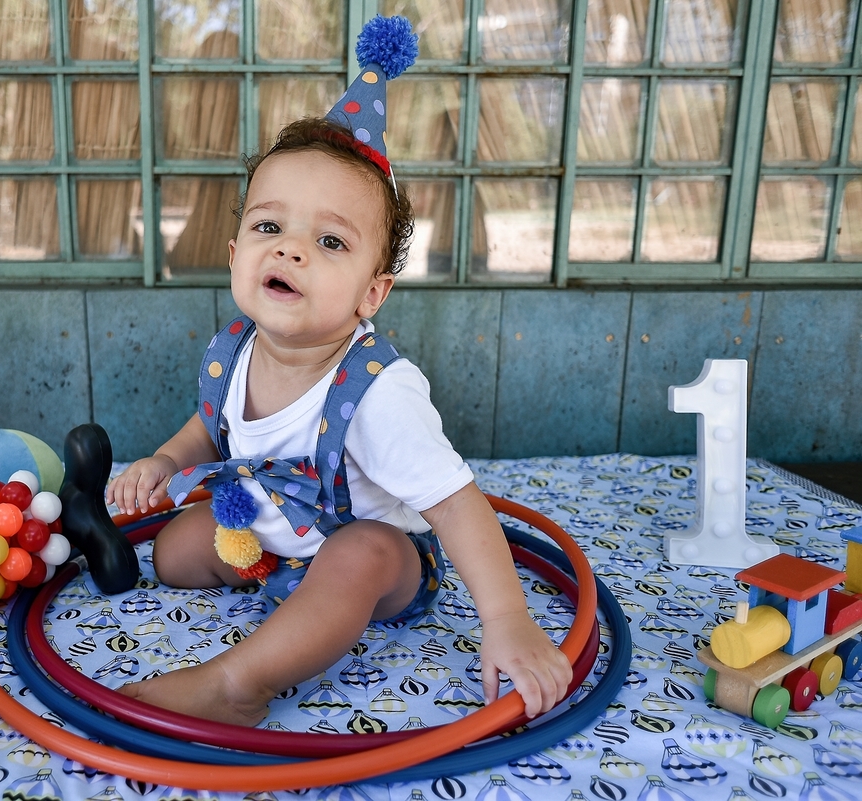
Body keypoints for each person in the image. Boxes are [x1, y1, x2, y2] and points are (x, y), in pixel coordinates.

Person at [105, 112, 572, 728]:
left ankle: (238, 683)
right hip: (274, 547)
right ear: (235, 253)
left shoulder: (377, 392)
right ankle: (281, 595)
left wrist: (508, 619)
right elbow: (211, 428)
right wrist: (166, 462)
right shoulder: (235, 347)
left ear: (371, 294)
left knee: (363, 550)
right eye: (268, 225)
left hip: (383, 568)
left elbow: (458, 506)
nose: (289, 247)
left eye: (330, 242)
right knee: (174, 553)